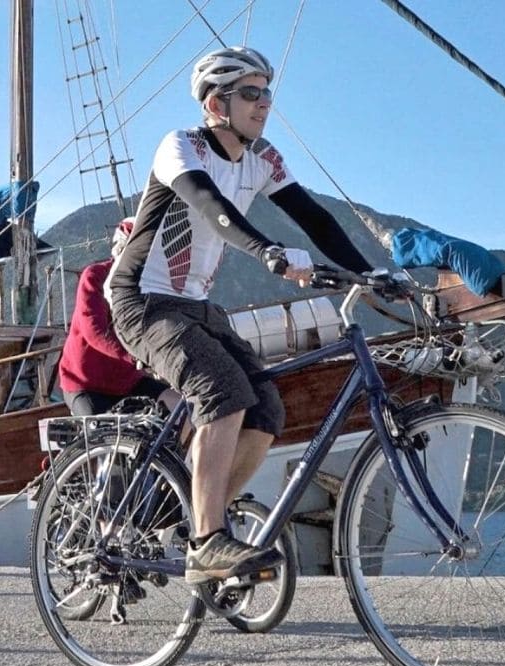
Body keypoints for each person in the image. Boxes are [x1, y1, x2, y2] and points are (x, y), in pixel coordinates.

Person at [106, 46, 375, 584]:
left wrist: (370, 274)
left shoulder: (263, 159)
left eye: (266, 93)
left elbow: (315, 219)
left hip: (197, 307)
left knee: (266, 408)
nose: (263, 104)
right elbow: (212, 207)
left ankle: (195, 522)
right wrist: (269, 252)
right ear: (215, 104)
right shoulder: (179, 147)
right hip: (141, 300)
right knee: (221, 391)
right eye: (250, 93)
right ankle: (208, 540)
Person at [58, 218, 170, 416]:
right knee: (101, 434)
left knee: (179, 405)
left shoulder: (150, 285)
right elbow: (95, 331)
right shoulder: (95, 276)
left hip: (128, 380)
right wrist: (137, 358)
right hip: (86, 382)